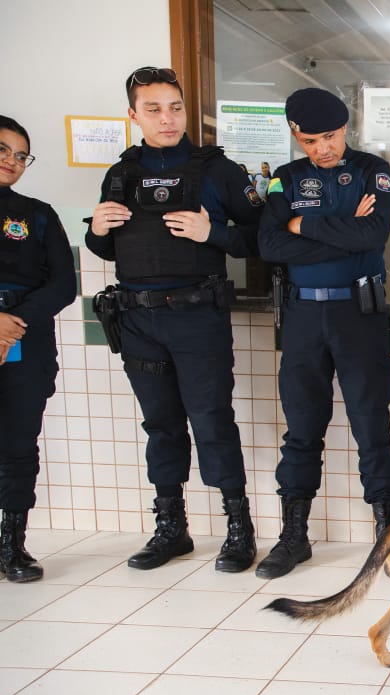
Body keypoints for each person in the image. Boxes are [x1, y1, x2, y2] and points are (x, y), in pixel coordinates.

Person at [85, 67, 263, 573]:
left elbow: (262, 239)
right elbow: (106, 244)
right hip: (138, 321)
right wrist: (95, 230)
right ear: (133, 115)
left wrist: (214, 234)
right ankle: (171, 528)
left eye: (175, 107)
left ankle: (238, 526)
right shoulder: (121, 173)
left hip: (197, 318)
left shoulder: (218, 170)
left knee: (211, 421)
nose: (167, 118)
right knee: (161, 426)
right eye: (154, 109)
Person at [256, 87, 390, 579]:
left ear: (346, 129)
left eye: (333, 136)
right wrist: (331, 229)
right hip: (301, 320)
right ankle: (293, 537)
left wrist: (302, 225)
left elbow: (372, 237)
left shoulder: (371, 171)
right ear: (296, 135)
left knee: (370, 425)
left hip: (357, 315)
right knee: (301, 430)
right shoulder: (285, 179)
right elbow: (270, 245)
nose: (325, 148)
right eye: (314, 139)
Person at [0, 116, 77, 582]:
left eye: (21, 155)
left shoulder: (37, 214)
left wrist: (12, 322)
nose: (12, 161)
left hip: (26, 341)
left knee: (17, 444)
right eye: (3, 150)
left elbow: (64, 284)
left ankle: (12, 545)